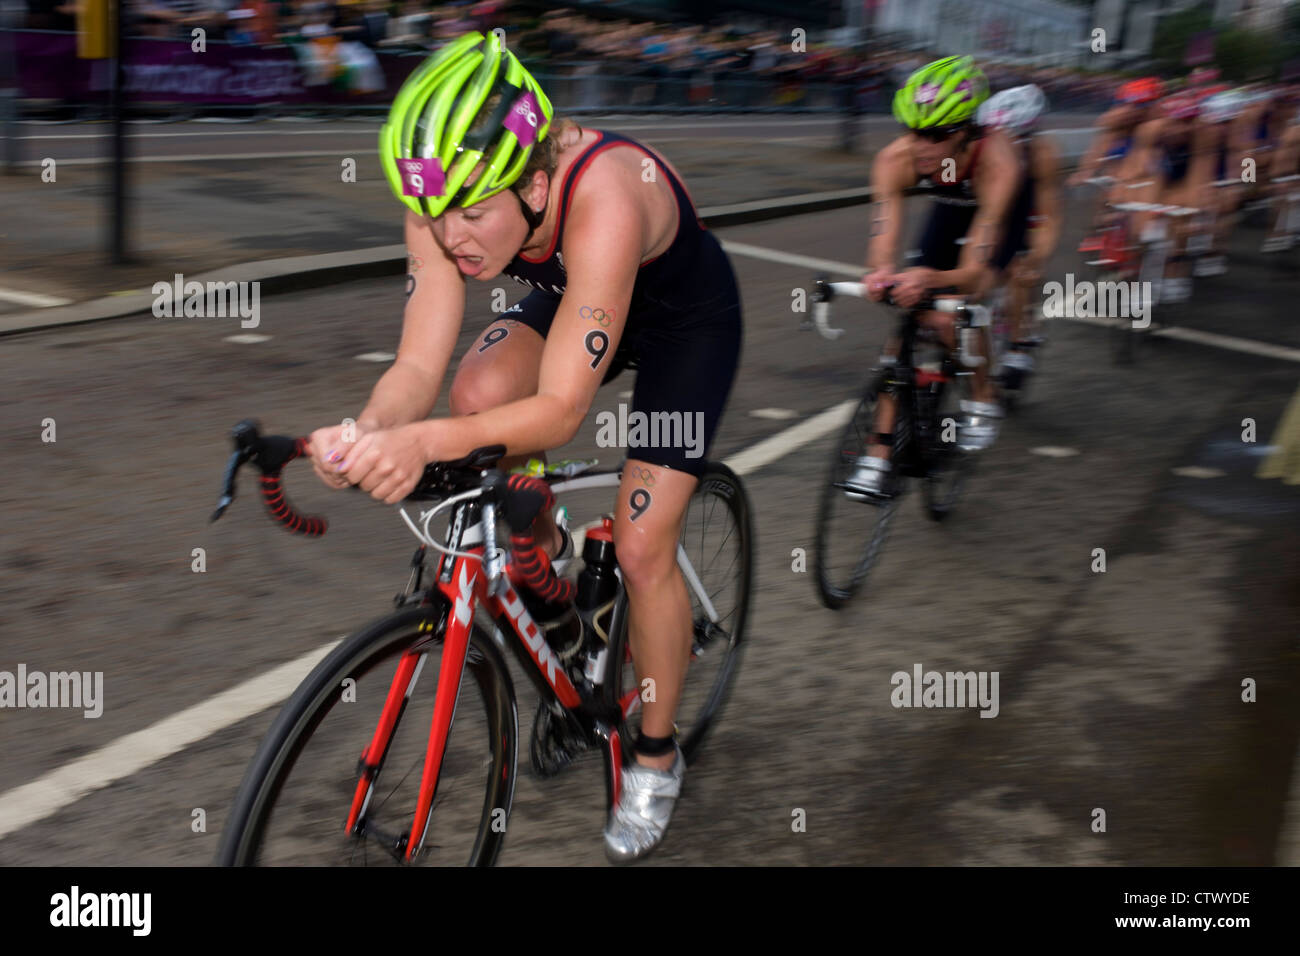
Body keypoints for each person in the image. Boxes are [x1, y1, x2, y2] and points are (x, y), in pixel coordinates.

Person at [307, 31, 742, 863]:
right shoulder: (442, 197)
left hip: (683, 322)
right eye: (435, 216)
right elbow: (418, 364)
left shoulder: (604, 194)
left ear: (535, 182)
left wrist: (425, 442)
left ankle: (655, 752)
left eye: (474, 214)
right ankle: (544, 563)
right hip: (578, 300)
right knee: (475, 392)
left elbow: (562, 409)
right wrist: (367, 430)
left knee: (647, 544)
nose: (452, 236)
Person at [846, 55, 1021, 500]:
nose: (922, 145)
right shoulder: (896, 159)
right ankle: (877, 456)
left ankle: (982, 394)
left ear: (971, 131)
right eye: (913, 131)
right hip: (949, 207)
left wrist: (933, 279)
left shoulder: (999, 163)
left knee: (960, 311)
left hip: (988, 217)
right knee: (905, 322)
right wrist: (882, 273)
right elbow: (884, 231)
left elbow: (976, 272)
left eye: (937, 135)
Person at [975, 84, 1062, 393]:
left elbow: (1049, 217)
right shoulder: (978, 146)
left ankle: (1017, 340)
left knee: (1020, 270)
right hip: (990, 210)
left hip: (1025, 213)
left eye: (1014, 139)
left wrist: (1037, 258)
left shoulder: (1042, 153)